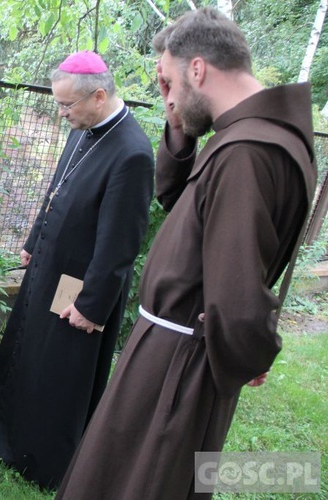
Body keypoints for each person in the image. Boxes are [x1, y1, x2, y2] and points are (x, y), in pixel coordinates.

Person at [56, 8, 317, 499]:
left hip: (178, 363)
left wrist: (251, 348)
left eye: (169, 82)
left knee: (142, 482)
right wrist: (181, 128)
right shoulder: (246, 140)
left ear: (197, 69)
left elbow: (237, 300)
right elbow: (194, 216)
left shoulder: (248, 154)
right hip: (177, 350)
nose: (167, 97)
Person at [0, 51, 155, 489]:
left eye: (67, 105)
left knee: (57, 368)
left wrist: (93, 305)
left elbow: (121, 243)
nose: (61, 113)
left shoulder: (132, 153)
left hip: (81, 286)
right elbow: (56, 189)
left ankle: (39, 457)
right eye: (59, 104)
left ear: (99, 96)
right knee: (24, 347)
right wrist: (33, 242)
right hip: (49, 264)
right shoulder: (83, 129)